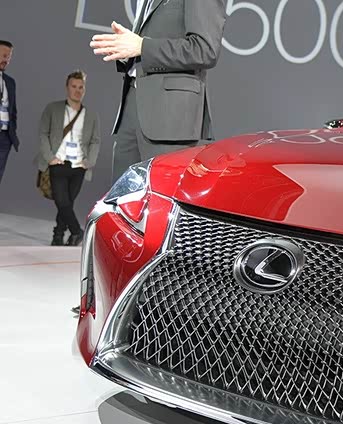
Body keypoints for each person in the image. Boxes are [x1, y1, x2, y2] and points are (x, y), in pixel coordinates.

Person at [88, 0, 227, 181]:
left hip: (170, 118)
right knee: (122, 195)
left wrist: (142, 47)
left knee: (161, 194)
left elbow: (204, 50)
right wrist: (125, 49)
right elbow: (145, 42)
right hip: (132, 106)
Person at [36, 71, 101, 246]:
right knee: (62, 201)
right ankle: (77, 232)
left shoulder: (91, 115)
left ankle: (58, 235)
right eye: (74, 86)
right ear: (67, 87)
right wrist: (50, 158)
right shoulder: (53, 108)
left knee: (68, 203)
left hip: (79, 165)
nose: (77, 91)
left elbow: (95, 140)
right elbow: (43, 133)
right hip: (58, 162)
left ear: (84, 90)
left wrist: (89, 162)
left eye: (81, 87)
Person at [0, 40, 19, 186]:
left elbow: (13, 111)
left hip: (5, 138)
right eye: (4, 55)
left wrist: (12, 132)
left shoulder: (10, 82)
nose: (6, 60)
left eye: (9, 57)